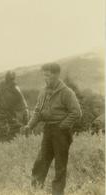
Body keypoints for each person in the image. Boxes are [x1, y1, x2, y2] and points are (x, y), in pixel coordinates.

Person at [21, 63, 82, 195]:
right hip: (48, 131)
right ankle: (35, 191)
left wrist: (62, 126)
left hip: (61, 133)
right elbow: (37, 111)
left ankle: (57, 193)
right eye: (44, 75)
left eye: (47, 75)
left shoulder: (67, 92)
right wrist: (29, 125)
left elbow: (76, 112)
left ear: (56, 75)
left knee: (60, 166)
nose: (45, 78)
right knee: (40, 162)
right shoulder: (43, 91)